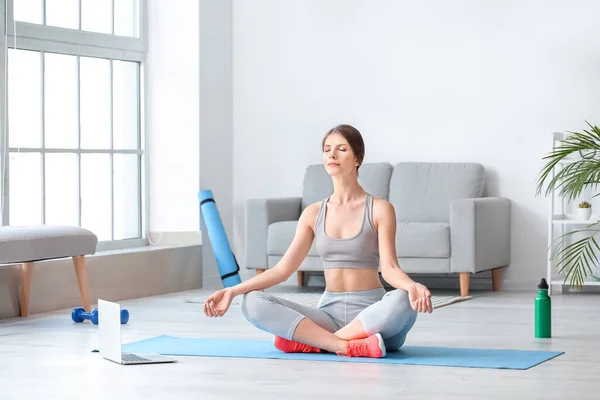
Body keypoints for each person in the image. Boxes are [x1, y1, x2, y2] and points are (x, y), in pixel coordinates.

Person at [203, 124, 433, 358]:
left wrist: (412, 286)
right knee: (251, 302)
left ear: (357, 159)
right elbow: (283, 270)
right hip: (327, 315)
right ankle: (345, 346)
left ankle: (316, 341)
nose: (332, 154)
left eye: (341, 149)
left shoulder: (380, 209)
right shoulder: (313, 213)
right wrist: (232, 291)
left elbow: (390, 268)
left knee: (404, 298)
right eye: (327, 149)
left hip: (374, 319)